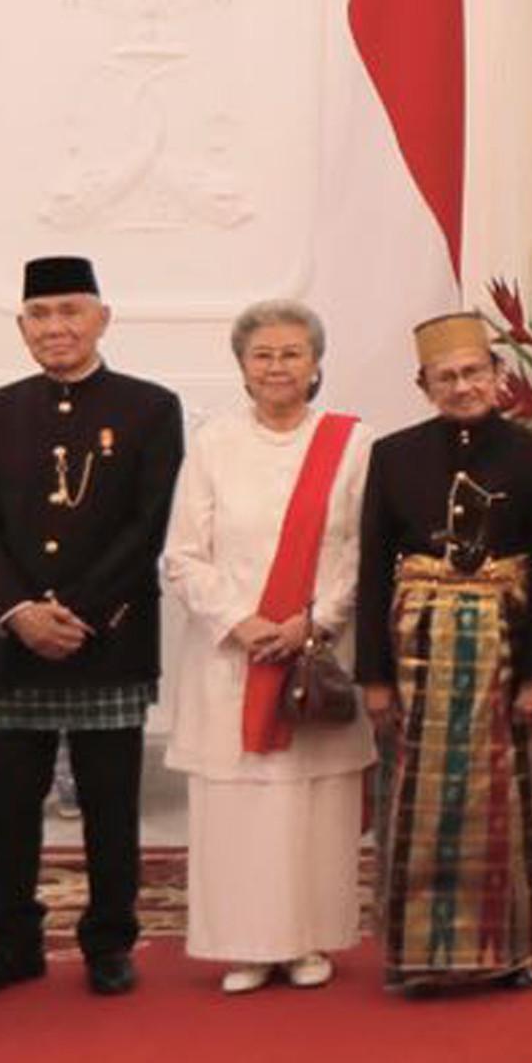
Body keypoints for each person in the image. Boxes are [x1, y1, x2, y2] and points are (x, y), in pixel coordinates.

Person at [0, 254, 184, 1002]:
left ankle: (110, 943)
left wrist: (76, 614)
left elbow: (148, 525)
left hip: (105, 637)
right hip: (12, 645)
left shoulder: (150, 408)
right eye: (41, 316)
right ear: (22, 328)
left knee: (111, 809)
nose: (56, 329)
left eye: (70, 312)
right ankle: (12, 946)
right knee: (10, 812)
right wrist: (19, 613)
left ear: (101, 318)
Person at [356, 311, 532, 993]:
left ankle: (508, 950)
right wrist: (373, 677)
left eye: (474, 372)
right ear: (424, 386)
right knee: (412, 803)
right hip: (416, 650)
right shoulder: (392, 456)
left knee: (508, 802)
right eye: (446, 377)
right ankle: (412, 952)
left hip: (507, 650)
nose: (462, 386)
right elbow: (370, 568)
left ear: (498, 376)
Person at [159, 300, 372, 994]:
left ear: (316, 365)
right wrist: (242, 622)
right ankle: (245, 944)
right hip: (232, 658)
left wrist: (315, 622)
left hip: (315, 652)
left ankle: (310, 941)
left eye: (291, 353)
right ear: (243, 367)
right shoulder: (213, 443)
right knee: (240, 808)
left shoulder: (354, 443)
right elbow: (184, 556)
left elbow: (363, 552)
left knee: (313, 805)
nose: (278, 366)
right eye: (263, 355)